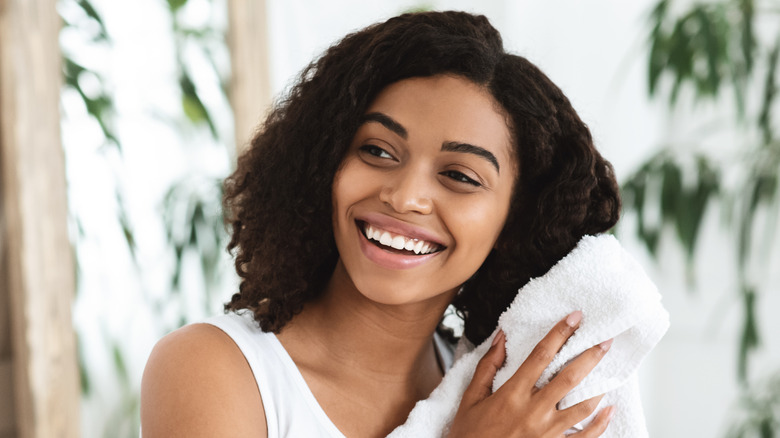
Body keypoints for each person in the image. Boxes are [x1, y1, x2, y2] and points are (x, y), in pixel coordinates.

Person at [141, 10, 621, 438]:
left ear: (515, 223)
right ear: (325, 163)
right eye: (377, 150)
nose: (405, 196)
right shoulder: (214, 369)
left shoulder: (510, 402)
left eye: (459, 176)